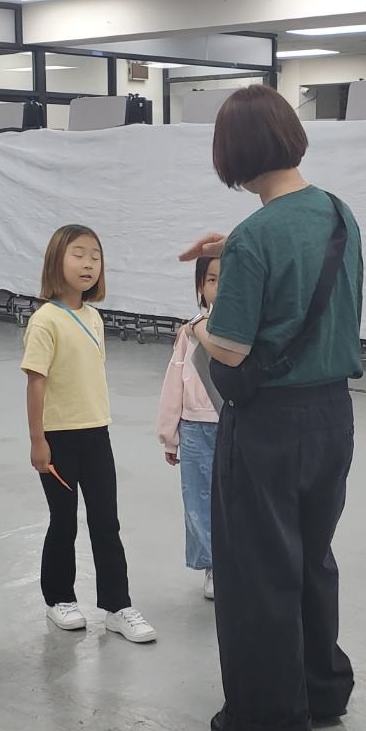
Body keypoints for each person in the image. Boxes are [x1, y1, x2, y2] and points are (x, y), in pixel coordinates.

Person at [181, 85, 364, 731]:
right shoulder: (338, 214)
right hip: (332, 415)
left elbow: (230, 349)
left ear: (233, 153)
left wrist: (197, 325)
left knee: (258, 569)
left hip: (268, 424)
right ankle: (321, 691)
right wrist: (235, 244)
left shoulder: (254, 238)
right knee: (311, 557)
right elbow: (299, 256)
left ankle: (268, 719)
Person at [22, 224, 157, 643]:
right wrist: (38, 441)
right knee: (63, 522)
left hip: (97, 435)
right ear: (56, 261)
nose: (88, 264)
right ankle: (59, 598)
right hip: (58, 439)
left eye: (95, 257)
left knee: (106, 521)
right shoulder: (45, 321)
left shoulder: (94, 318)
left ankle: (117, 606)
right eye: (78, 254)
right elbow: (36, 383)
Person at [157, 256, 221, 600]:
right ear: (200, 286)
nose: (220, 287)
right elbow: (174, 382)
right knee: (198, 500)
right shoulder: (190, 333)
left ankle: (239, 564)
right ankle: (214, 567)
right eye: (212, 280)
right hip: (195, 428)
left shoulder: (249, 331)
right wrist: (170, 437)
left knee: (237, 499)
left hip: (237, 427)